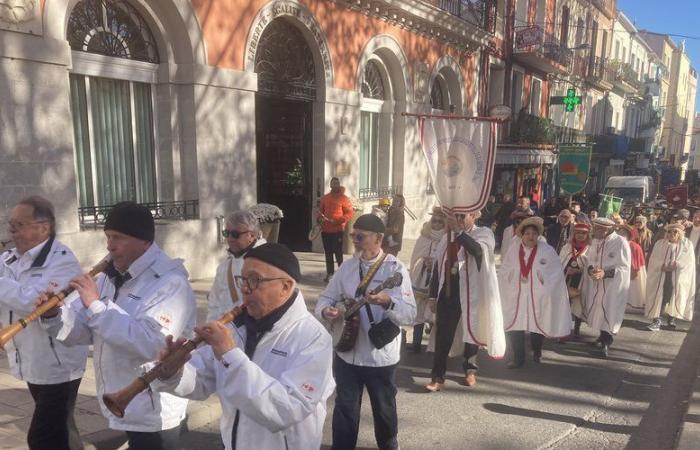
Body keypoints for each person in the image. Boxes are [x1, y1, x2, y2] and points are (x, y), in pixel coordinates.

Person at [39, 202, 197, 450]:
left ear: (143, 241)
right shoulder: (110, 277)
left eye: (117, 238)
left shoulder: (170, 282)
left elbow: (151, 344)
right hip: (122, 403)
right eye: (107, 237)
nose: (109, 245)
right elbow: (83, 331)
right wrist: (53, 315)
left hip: (153, 410)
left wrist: (96, 306)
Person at [151, 243, 335, 450]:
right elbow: (203, 381)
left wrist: (229, 354)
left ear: (285, 286)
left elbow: (287, 410)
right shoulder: (237, 327)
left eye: (255, 280)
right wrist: (174, 370)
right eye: (243, 279)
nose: (245, 289)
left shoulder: (313, 337)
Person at [316, 214, 415, 450]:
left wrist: (387, 302)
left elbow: (410, 314)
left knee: (384, 411)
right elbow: (326, 297)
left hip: (379, 357)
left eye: (360, 236)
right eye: (353, 235)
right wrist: (326, 311)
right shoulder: (347, 267)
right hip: (346, 353)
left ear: (379, 238)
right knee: (345, 411)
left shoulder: (395, 269)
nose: (355, 240)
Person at [0, 196, 88, 450]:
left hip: (58, 363)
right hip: (31, 357)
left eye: (19, 225)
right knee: (62, 431)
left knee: (42, 438)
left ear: (43, 228)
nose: (11, 231)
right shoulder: (11, 258)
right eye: (10, 225)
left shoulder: (62, 260)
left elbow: (33, 302)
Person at [424, 210, 506, 391]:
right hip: (448, 292)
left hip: (472, 293)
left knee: (472, 330)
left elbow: (478, 251)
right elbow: (439, 265)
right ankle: (437, 377)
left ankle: (470, 369)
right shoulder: (447, 238)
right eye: (456, 216)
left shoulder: (484, 233)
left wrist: (459, 234)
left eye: (463, 216)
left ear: (474, 216)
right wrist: (432, 295)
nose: (458, 220)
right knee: (442, 335)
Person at [500, 217, 571, 367]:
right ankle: (518, 359)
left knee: (536, 324)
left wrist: (542, 282)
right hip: (517, 294)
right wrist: (511, 280)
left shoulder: (547, 251)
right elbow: (505, 270)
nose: (530, 236)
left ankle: (537, 350)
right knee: (515, 325)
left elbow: (555, 273)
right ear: (522, 235)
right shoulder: (514, 250)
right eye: (527, 234)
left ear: (538, 235)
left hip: (537, 294)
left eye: (533, 233)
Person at [579, 217, 631, 358]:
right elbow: (589, 259)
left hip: (612, 284)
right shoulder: (595, 241)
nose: (593, 231)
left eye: (596, 229)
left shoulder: (620, 242)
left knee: (609, 309)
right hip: (596, 283)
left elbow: (624, 267)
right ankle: (602, 337)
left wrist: (605, 273)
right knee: (598, 309)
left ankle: (607, 342)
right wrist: (590, 270)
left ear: (606, 229)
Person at [207, 210, 266, 322]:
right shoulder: (225, 266)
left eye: (235, 234)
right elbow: (214, 303)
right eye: (226, 233)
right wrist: (211, 329)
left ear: (252, 235)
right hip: (225, 332)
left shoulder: (268, 262)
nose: (229, 239)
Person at [407, 207, 447, 352]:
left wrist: (436, 263)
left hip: (438, 280)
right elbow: (415, 256)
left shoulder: (448, 238)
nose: (436, 224)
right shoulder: (424, 237)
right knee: (419, 310)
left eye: (440, 221)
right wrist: (424, 261)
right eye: (434, 220)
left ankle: (435, 346)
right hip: (421, 278)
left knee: (435, 312)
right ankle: (416, 343)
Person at [645, 224, 696, 330]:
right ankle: (656, 320)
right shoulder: (659, 244)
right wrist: (661, 265)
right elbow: (653, 259)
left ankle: (671, 317)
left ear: (680, 233)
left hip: (678, 276)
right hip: (661, 275)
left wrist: (677, 264)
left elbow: (689, 261)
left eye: (675, 232)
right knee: (661, 296)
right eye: (669, 232)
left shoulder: (687, 244)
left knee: (674, 296)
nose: (672, 234)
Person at [559, 222, 591, 338]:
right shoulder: (567, 247)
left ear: (588, 235)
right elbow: (560, 261)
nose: (580, 235)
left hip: (582, 279)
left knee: (579, 304)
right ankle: (563, 331)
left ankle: (577, 327)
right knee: (564, 305)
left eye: (583, 233)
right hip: (566, 278)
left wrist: (579, 270)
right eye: (578, 232)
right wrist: (567, 269)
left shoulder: (590, 248)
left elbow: (591, 265)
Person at [318, 177, 354, 282]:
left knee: (338, 253)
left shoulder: (344, 199)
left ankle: (342, 274)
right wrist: (319, 219)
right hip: (325, 230)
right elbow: (320, 212)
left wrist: (339, 220)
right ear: (330, 185)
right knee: (328, 253)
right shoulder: (325, 198)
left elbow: (349, 213)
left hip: (338, 230)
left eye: (337, 183)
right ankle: (330, 273)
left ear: (339, 185)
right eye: (333, 183)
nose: (335, 185)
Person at [617, 225, 647, 310]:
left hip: (632, 271)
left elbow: (635, 262)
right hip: (622, 272)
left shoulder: (634, 246)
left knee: (632, 291)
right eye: (619, 232)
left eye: (623, 233)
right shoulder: (617, 244)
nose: (621, 234)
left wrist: (634, 272)